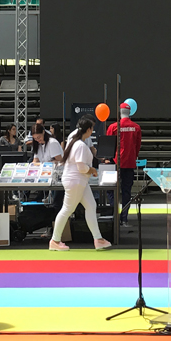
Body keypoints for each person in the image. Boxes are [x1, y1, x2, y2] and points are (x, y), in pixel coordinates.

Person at [50, 116, 111, 252]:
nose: (92, 131)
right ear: (89, 129)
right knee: (67, 210)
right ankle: (55, 240)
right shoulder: (80, 145)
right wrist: (93, 170)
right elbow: (82, 168)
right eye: (92, 128)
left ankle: (98, 239)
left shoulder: (76, 141)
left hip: (78, 181)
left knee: (91, 206)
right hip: (76, 181)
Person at [106, 102, 142, 225]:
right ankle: (124, 217)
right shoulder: (136, 127)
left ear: (120, 112)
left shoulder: (113, 127)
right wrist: (133, 157)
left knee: (111, 190)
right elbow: (137, 146)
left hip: (116, 162)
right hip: (130, 163)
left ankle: (114, 215)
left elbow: (109, 146)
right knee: (127, 191)